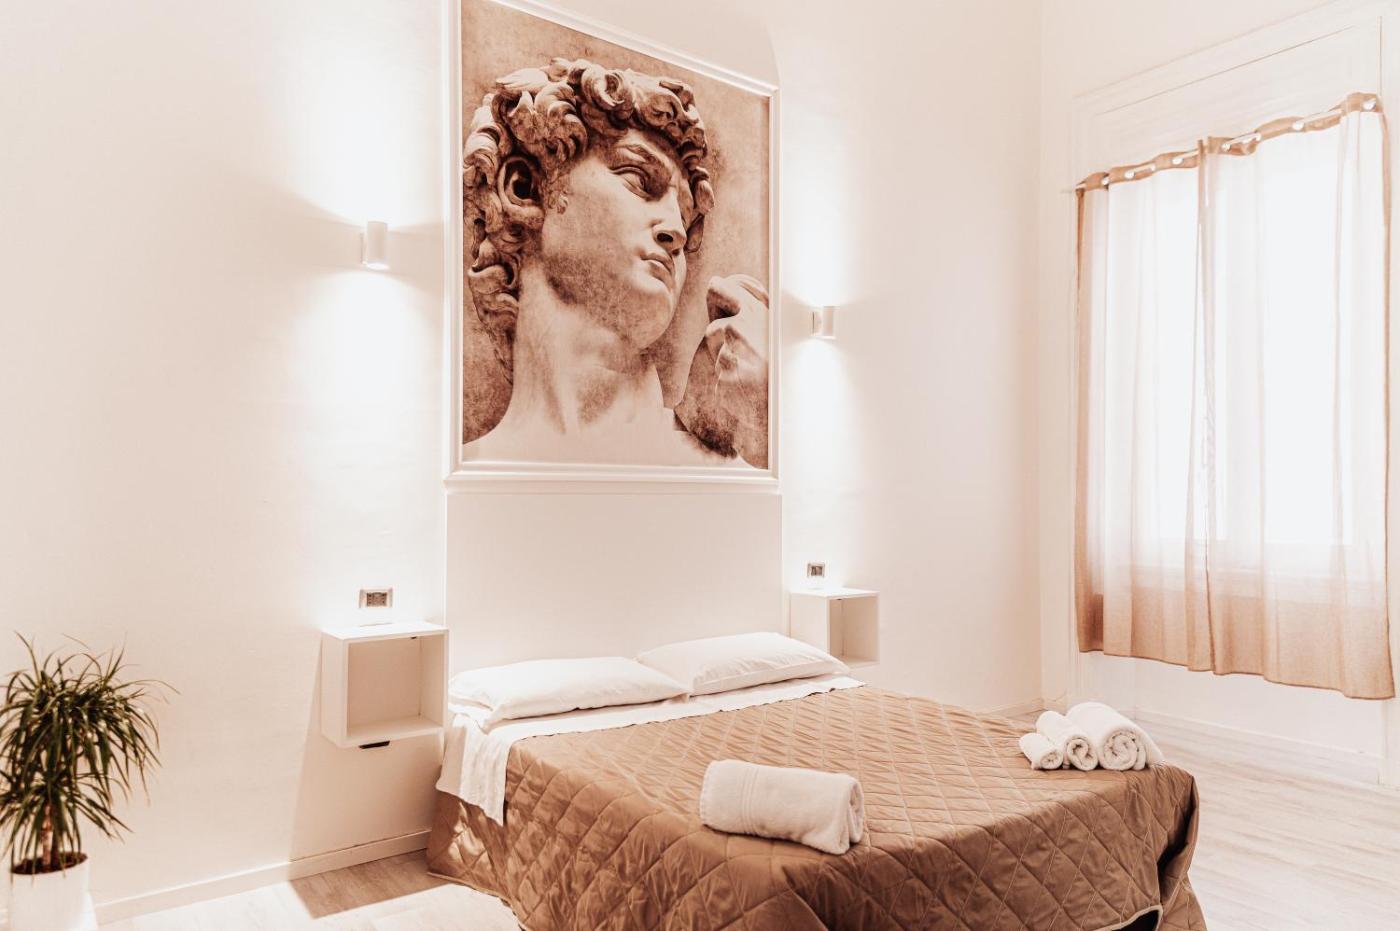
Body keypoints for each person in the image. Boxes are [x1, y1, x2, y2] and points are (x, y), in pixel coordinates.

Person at [461, 58, 768, 468]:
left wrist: (768, 416)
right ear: (524, 188)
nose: (676, 230)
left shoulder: (727, 464)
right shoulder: (467, 468)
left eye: (684, 214)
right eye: (639, 180)